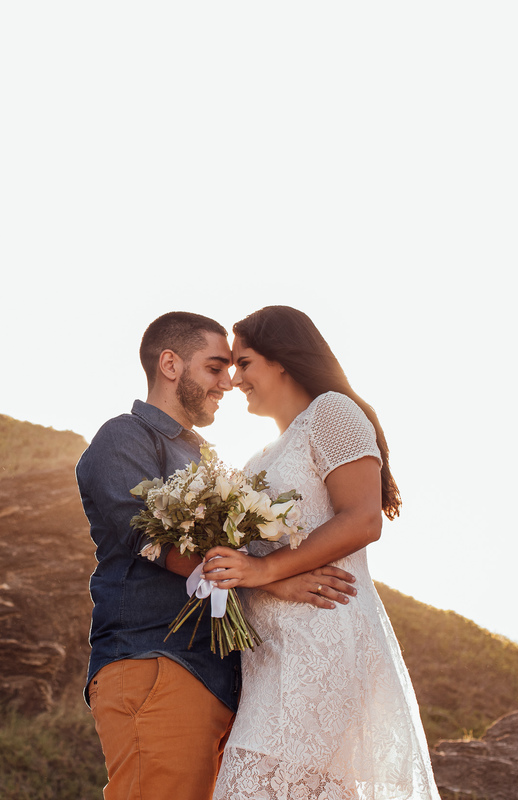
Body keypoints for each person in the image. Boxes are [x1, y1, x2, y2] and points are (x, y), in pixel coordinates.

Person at [76, 311, 358, 800]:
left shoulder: (204, 457)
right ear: (170, 364)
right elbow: (155, 542)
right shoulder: (125, 437)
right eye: (214, 367)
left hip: (217, 677)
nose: (228, 381)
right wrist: (269, 579)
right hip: (157, 660)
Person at [202, 306, 439, 800]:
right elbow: (241, 568)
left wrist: (264, 568)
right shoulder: (258, 458)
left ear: (282, 360)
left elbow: (362, 518)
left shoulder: (332, 412)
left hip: (320, 640)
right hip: (267, 658)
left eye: (243, 363)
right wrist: (254, 573)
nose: (234, 378)